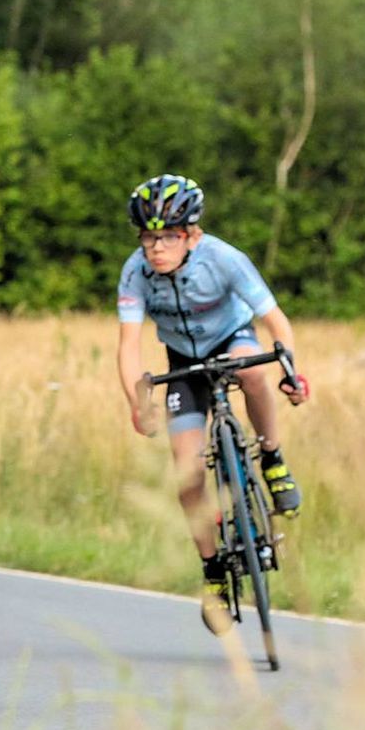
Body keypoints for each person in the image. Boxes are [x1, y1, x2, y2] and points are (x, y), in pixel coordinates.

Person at [114, 174, 311, 634]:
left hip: (233, 338)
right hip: (182, 359)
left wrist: (293, 372)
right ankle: (213, 572)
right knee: (187, 477)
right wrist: (136, 402)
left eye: (168, 237)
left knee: (253, 370)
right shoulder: (135, 272)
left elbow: (276, 322)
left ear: (192, 235)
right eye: (148, 237)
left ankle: (272, 456)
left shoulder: (224, 259)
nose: (156, 247)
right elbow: (128, 347)